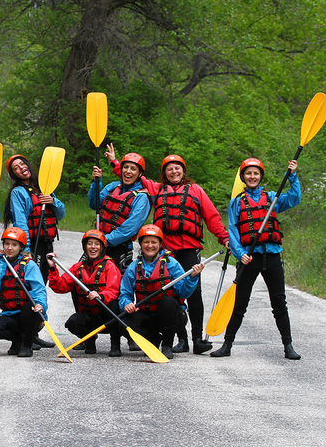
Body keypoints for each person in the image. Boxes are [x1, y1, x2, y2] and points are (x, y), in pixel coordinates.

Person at [107, 144, 230, 355]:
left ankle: (198, 339)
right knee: (172, 293)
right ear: (164, 173)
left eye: (177, 168)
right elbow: (132, 175)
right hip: (167, 250)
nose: (174, 172)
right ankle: (181, 340)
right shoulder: (156, 189)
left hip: (190, 247)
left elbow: (212, 217)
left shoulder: (196, 190)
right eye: (169, 169)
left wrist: (224, 238)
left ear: (183, 171)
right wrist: (115, 163)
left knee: (194, 293)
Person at [211, 158, 302, 360]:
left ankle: (288, 346)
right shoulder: (236, 202)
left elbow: (295, 198)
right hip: (249, 258)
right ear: (243, 177)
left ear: (261, 176)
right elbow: (233, 230)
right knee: (240, 303)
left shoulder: (272, 198)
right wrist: (240, 253)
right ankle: (227, 345)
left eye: (256, 173)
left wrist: (293, 176)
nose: (252, 177)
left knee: (279, 301)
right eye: (248, 173)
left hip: (271, 256)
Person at [3, 154, 65, 349]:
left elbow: (61, 213)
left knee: (40, 289)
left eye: (22, 164)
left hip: (46, 244)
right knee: (28, 290)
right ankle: (23, 335)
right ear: (14, 175)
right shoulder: (18, 193)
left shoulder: (44, 188)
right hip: (32, 247)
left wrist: (53, 200)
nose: (21, 168)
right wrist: (26, 250)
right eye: (15, 168)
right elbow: (20, 223)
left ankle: (33, 332)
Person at [118, 224, 204, 359]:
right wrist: (127, 304)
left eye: (154, 242)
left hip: (172, 316)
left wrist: (192, 278)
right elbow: (125, 293)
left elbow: (183, 292)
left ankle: (167, 345)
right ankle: (152, 339)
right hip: (146, 316)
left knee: (168, 302)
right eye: (146, 242)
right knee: (120, 319)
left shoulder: (172, 264)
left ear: (160, 244)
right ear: (141, 244)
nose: (150, 246)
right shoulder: (134, 267)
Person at [46, 230, 123, 356]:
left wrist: (101, 296)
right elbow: (60, 287)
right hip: (89, 315)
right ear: (84, 247)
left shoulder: (110, 266)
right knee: (72, 323)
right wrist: (52, 268)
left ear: (102, 247)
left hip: (106, 315)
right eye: (89, 244)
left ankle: (115, 344)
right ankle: (89, 341)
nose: (93, 247)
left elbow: (113, 291)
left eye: (97, 244)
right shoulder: (78, 267)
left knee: (113, 306)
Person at [0, 227, 48, 357]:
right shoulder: (2, 264)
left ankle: (27, 344)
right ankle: (18, 339)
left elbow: (39, 289)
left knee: (27, 308)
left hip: (30, 315)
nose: (9, 248)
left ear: (21, 247)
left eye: (14, 245)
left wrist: (40, 305)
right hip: (10, 314)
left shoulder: (29, 265)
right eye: (7, 244)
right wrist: (1, 263)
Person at [88, 152, 150, 273]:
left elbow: (130, 228)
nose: (128, 171)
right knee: (81, 281)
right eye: (125, 167)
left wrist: (105, 240)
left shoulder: (142, 197)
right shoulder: (112, 186)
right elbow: (94, 204)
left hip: (119, 247)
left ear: (140, 173)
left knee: (113, 287)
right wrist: (96, 182)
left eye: (133, 169)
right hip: (99, 243)